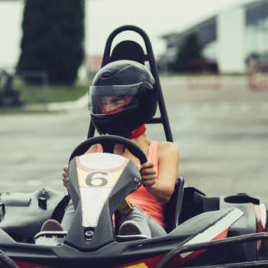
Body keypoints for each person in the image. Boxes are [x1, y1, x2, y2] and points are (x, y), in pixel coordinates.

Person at [43, 59, 179, 239]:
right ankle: (58, 239)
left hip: (150, 233)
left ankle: (133, 238)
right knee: (75, 206)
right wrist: (72, 183)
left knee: (133, 212)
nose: (107, 109)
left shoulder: (164, 150)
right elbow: (78, 198)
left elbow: (166, 195)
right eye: (103, 103)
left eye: (116, 102)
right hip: (98, 230)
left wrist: (151, 183)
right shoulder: (94, 149)